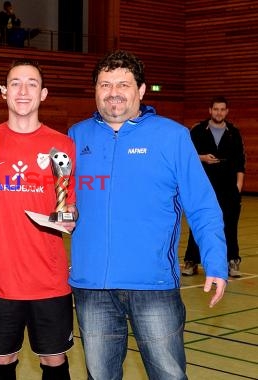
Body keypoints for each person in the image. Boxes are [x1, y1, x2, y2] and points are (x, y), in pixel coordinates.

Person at [67, 50, 228, 379]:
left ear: (140, 90)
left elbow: (202, 205)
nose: (114, 92)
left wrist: (215, 261)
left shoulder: (172, 137)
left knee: (168, 375)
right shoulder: (75, 136)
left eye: (123, 84)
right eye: (105, 84)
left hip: (153, 286)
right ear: (95, 90)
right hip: (91, 288)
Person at [0, 59, 76, 380]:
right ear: (4, 93)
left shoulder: (62, 145)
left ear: (43, 93)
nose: (23, 90)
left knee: (54, 360)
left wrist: (68, 217)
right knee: (3, 360)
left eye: (31, 83)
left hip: (48, 278)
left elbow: (68, 206)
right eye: (15, 82)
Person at [182, 96, 246, 278]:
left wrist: (238, 186)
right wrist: (202, 158)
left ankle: (232, 261)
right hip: (203, 186)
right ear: (210, 110)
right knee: (199, 223)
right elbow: (186, 155)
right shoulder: (198, 131)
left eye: (222, 109)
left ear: (226, 111)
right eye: (215, 109)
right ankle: (191, 261)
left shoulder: (234, 132)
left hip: (228, 188)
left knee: (230, 225)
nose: (219, 112)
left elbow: (240, 162)